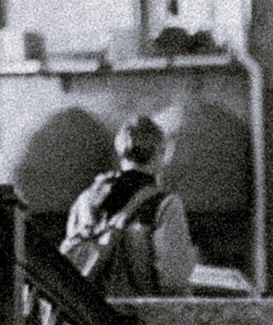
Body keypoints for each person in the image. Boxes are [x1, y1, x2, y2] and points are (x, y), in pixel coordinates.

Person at [62, 112, 195, 297]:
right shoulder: (165, 203)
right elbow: (173, 278)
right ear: (159, 152)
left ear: (120, 152)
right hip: (138, 316)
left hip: (86, 313)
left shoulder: (85, 199)